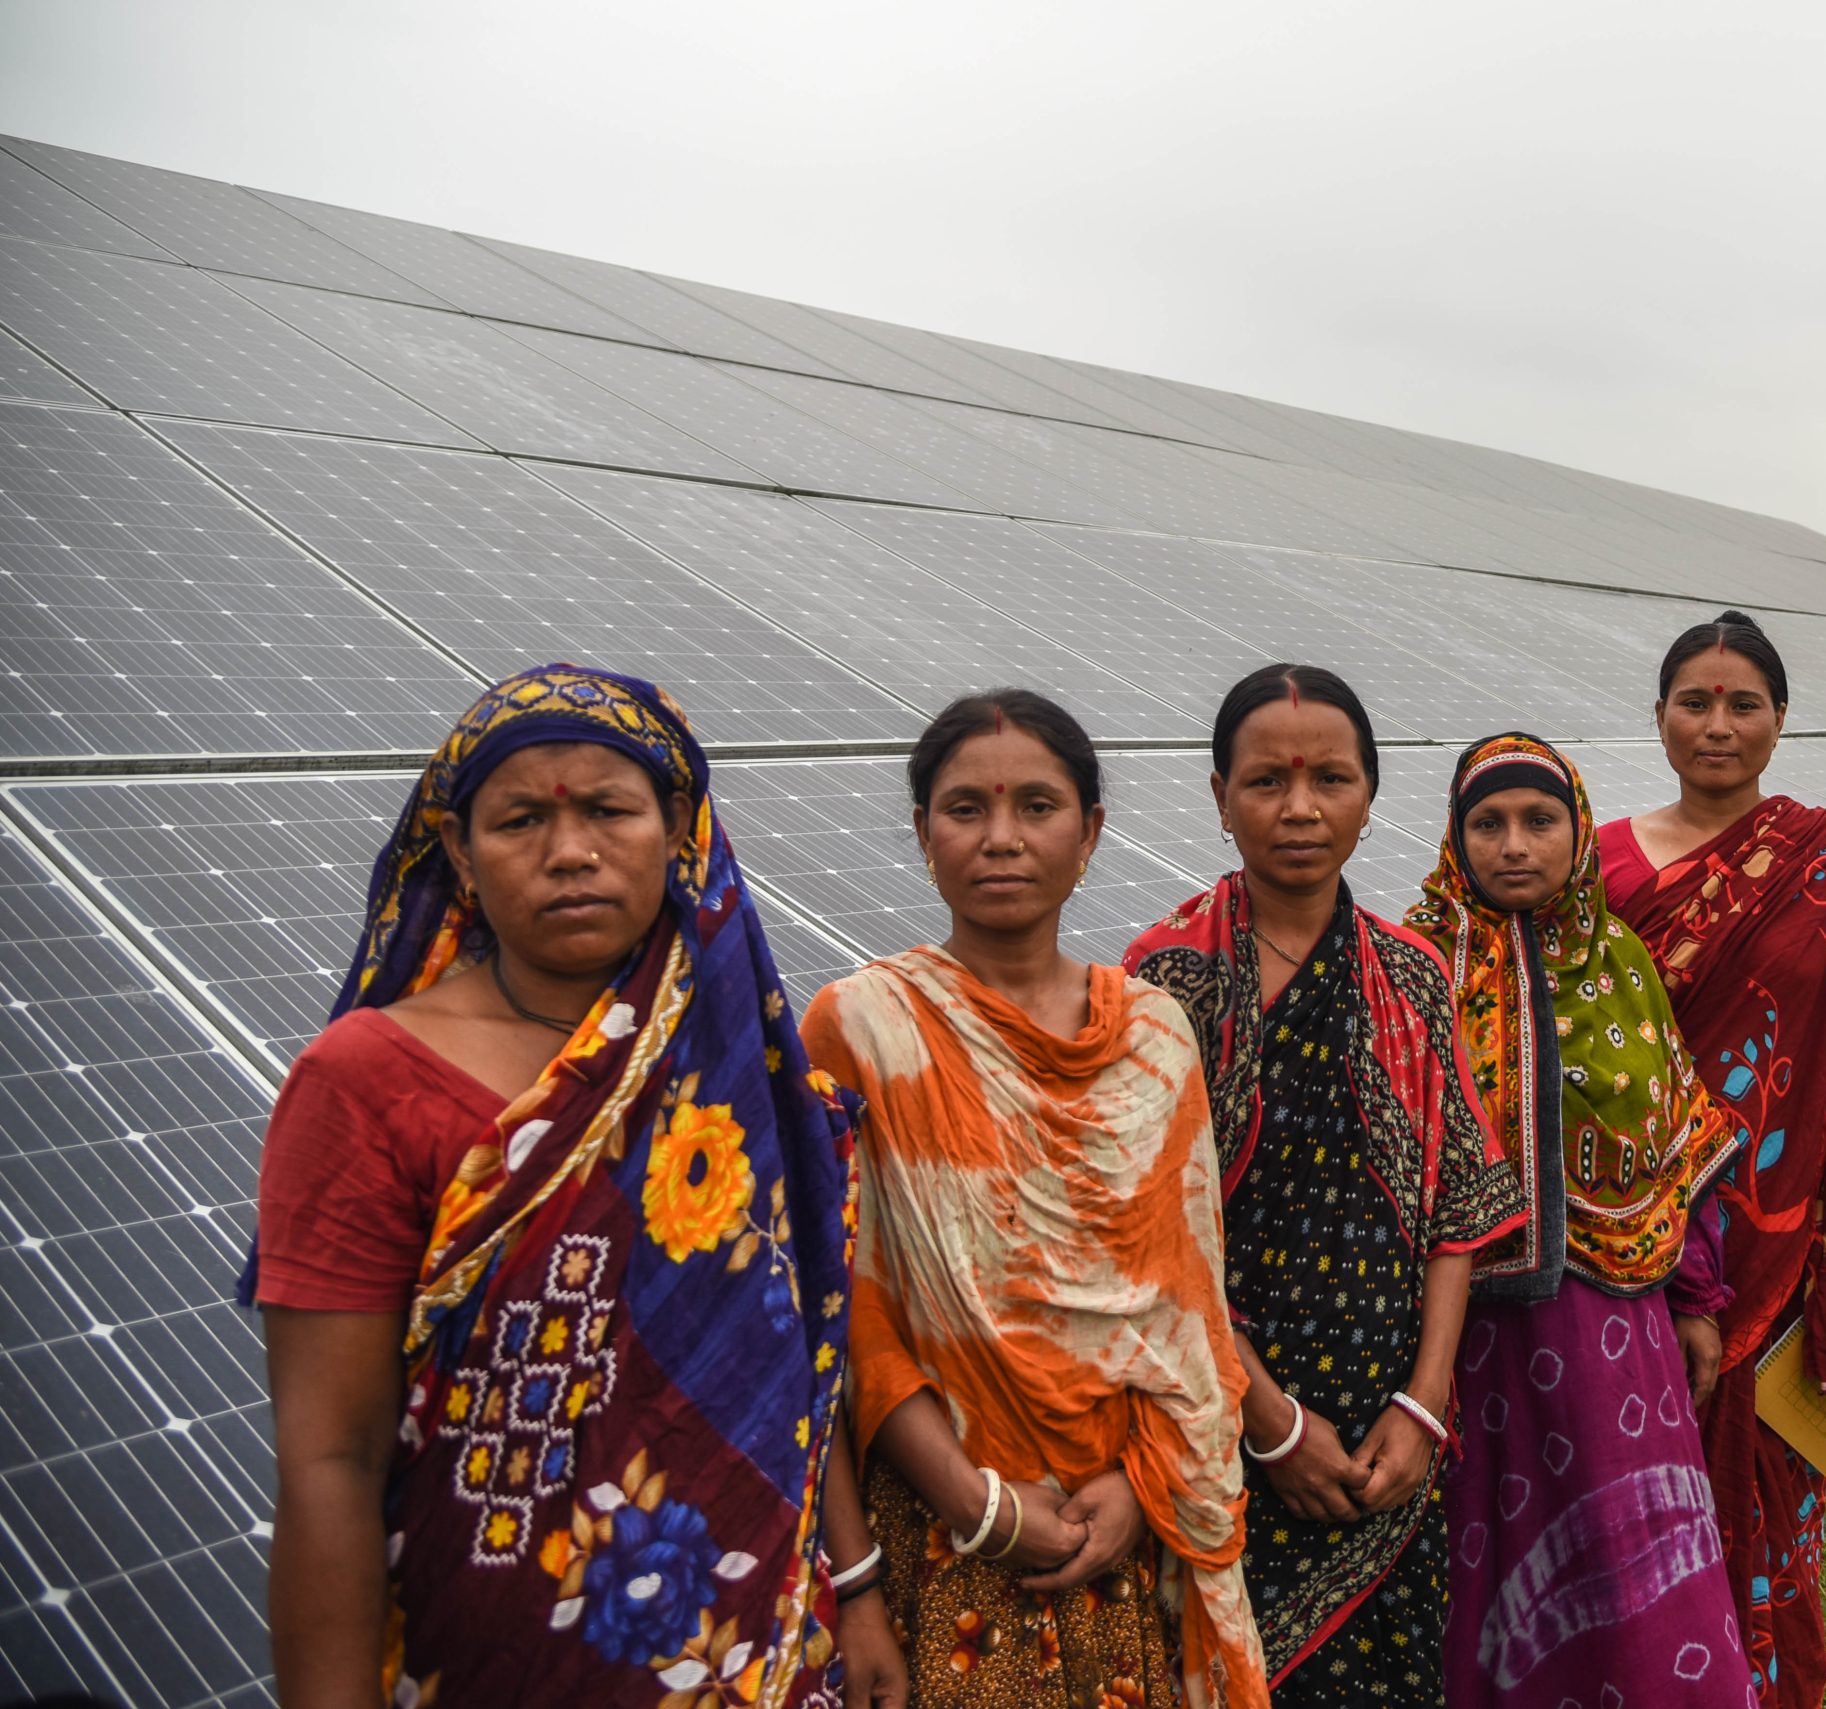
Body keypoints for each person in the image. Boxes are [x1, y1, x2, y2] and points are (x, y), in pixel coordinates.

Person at [248, 663, 906, 1706]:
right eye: (517, 822)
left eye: (610, 809)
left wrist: (858, 1589)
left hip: (761, 1651)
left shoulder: (739, 1073)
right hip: (488, 1656)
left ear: (678, 825)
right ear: (459, 852)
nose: (570, 852)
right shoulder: (364, 1080)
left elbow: (794, 1371)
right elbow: (332, 1451)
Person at [799, 689, 1268, 1709]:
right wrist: (971, 1499)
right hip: (936, 1532)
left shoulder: (1153, 1035)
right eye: (965, 807)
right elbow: (844, 1315)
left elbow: (1187, 1308)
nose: (1001, 837)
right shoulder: (863, 1027)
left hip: (1123, 1542)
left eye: (1038, 806)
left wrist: (1140, 1490)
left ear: (1091, 831)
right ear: (924, 829)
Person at [1124, 664, 1529, 1707]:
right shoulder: (1162, 980)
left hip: (1389, 1436)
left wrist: (1423, 1403)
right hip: (1218, 1425)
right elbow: (1148, 1232)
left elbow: (1454, 1209)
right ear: (1219, 797)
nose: (1299, 807)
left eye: (1330, 778)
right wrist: (1267, 1418)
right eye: (1266, 780)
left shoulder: (1410, 972)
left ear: (1368, 794)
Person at [1597, 612, 1826, 1709]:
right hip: (1621, 1230)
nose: (1717, 724)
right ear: (1657, 715)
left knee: (1763, 1484)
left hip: (1780, 1241)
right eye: (1693, 701)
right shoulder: (1591, 862)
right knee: (1623, 1494)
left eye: (1743, 703)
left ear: (1780, 720)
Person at [1405, 733, 1759, 1709]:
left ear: (1577, 830)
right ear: (1454, 834)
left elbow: (1672, 1138)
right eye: (1487, 822)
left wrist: (1696, 1296)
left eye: (1539, 819)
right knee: (1492, 1541)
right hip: (1465, 1339)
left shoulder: (1622, 965)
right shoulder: (1416, 965)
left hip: (1617, 1329)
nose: (1513, 844)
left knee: (1627, 1547)